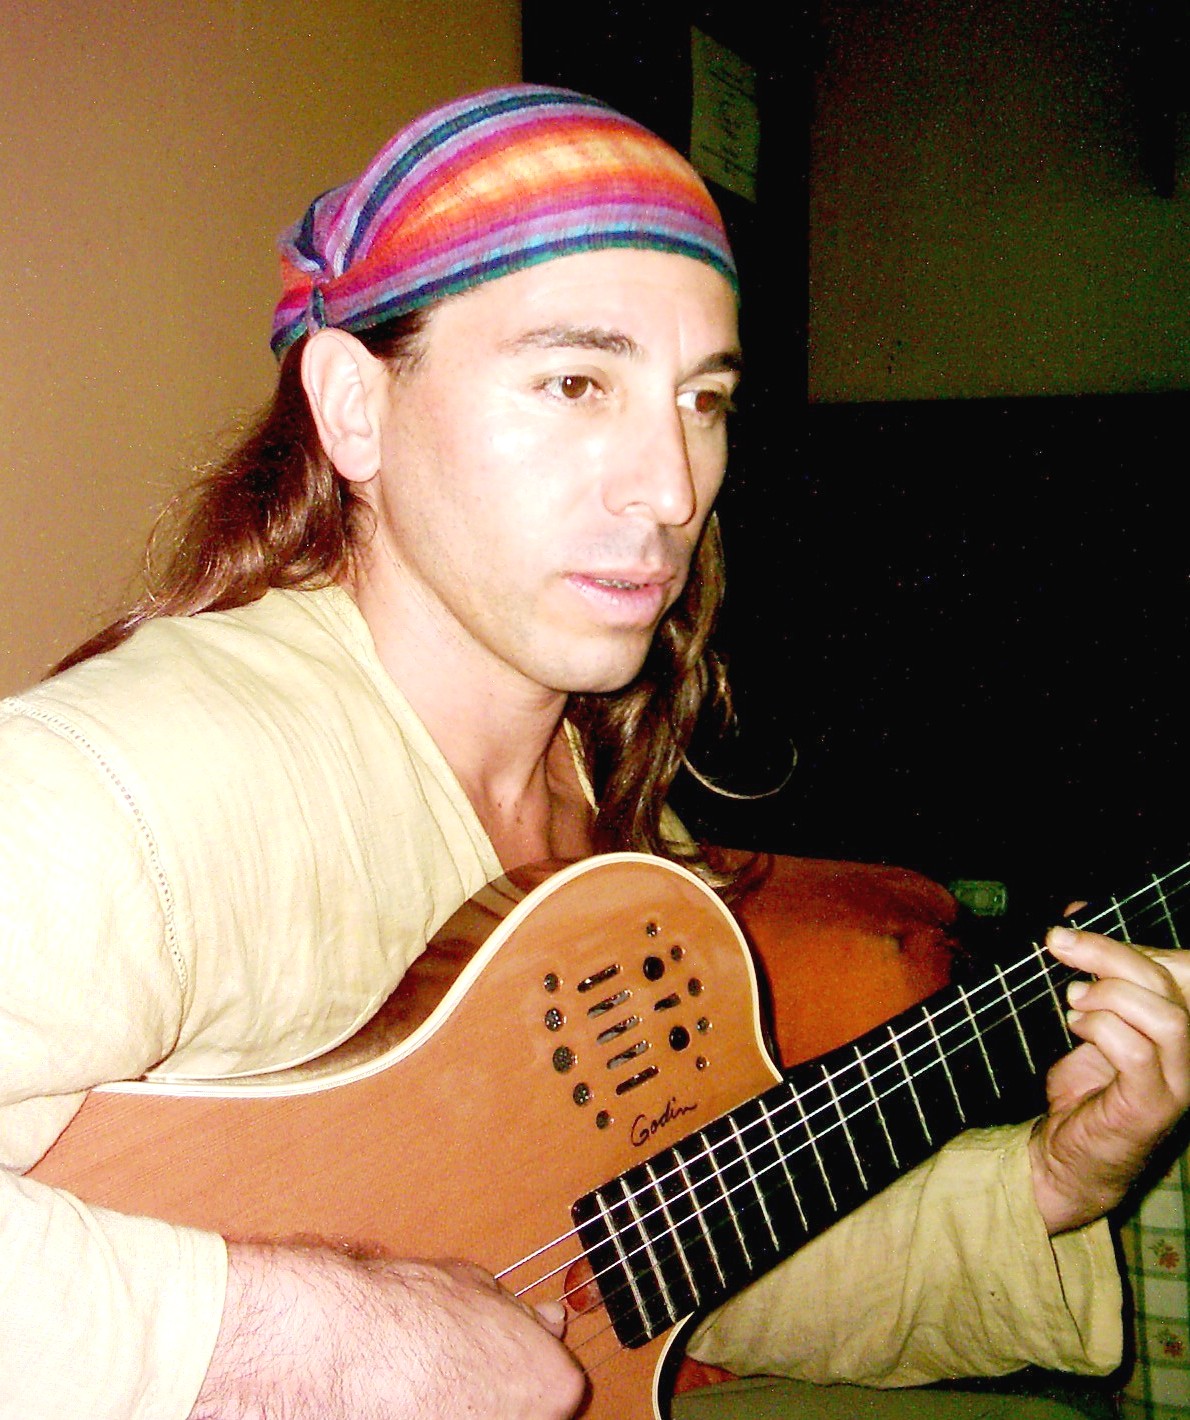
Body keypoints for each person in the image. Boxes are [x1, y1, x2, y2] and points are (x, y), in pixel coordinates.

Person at [1, 84, 1187, 1420]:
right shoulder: (137, 783)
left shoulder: (606, 813)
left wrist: (1054, 1178)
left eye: (702, 400)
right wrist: (309, 1343)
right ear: (353, 408)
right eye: (576, 384)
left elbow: (654, 1263)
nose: (672, 489)